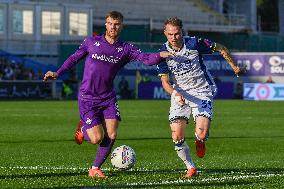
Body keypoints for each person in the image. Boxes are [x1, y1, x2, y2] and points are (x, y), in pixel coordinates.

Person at [43, 11, 172, 178]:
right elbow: (74, 58)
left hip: (108, 97)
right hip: (87, 97)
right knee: (97, 138)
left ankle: (95, 168)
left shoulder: (126, 48)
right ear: (106, 24)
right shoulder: (91, 42)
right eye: (110, 23)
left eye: (117, 24)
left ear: (121, 26)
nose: (113, 27)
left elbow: (146, 58)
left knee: (111, 134)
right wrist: (58, 73)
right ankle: (83, 127)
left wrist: (161, 55)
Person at [157, 17, 243, 178]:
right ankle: (190, 167)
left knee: (202, 134)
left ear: (182, 31)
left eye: (176, 33)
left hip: (202, 91)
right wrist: (175, 94)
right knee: (176, 135)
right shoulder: (162, 53)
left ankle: (200, 140)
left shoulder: (195, 43)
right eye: (170, 34)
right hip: (180, 94)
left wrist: (234, 66)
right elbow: (165, 82)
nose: (174, 37)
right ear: (165, 33)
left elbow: (222, 48)